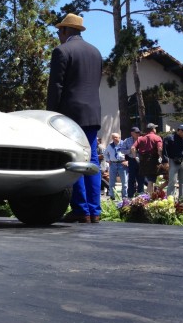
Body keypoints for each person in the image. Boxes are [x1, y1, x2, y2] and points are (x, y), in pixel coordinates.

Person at [47, 13, 102, 224]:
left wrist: (50, 115)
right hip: (93, 112)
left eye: (59, 31)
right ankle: (94, 211)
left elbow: (56, 86)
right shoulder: (95, 52)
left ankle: (80, 209)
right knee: (92, 159)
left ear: (65, 31)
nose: (58, 35)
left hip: (70, 115)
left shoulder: (62, 51)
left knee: (75, 159)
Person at [131, 123, 163, 195]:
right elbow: (160, 149)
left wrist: (135, 157)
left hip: (143, 161)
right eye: (155, 128)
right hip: (153, 160)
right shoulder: (157, 137)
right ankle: (148, 197)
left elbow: (133, 148)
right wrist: (161, 157)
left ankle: (152, 195)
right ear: (153, 129)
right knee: (151, 180)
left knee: (150, 180)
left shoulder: (141, 138)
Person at [163, 123, 183, 200]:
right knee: (172, 181)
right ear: (180, 130)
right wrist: (165, 161)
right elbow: (165, 150)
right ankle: (170, 200)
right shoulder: (169, 138)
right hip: (173, 161)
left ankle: (181, 200)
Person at [120, 127, 146, 198]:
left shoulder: (142, 139)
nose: (138, 134)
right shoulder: (127, 140)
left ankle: (141, 196)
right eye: (136, 132)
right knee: (131, 179)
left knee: (141, 179)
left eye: (138, 132)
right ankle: (130, 196)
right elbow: (122, 150)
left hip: (141, 161)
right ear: (132, 133)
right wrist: (130, 151)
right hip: (132, 161)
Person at [104, 133, 128, 200]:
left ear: (119, 137)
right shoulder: (110, 146)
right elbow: (105, 154)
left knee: (124, 182)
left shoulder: (124, 144)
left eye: (116, 137)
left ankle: (124, 196)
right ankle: (112, 196)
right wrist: (108, 160)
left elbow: (129, 153)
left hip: (122, 163)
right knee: (111, 181)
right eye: (113, 137)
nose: (114, 139)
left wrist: (127, 161)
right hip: (113, 164)